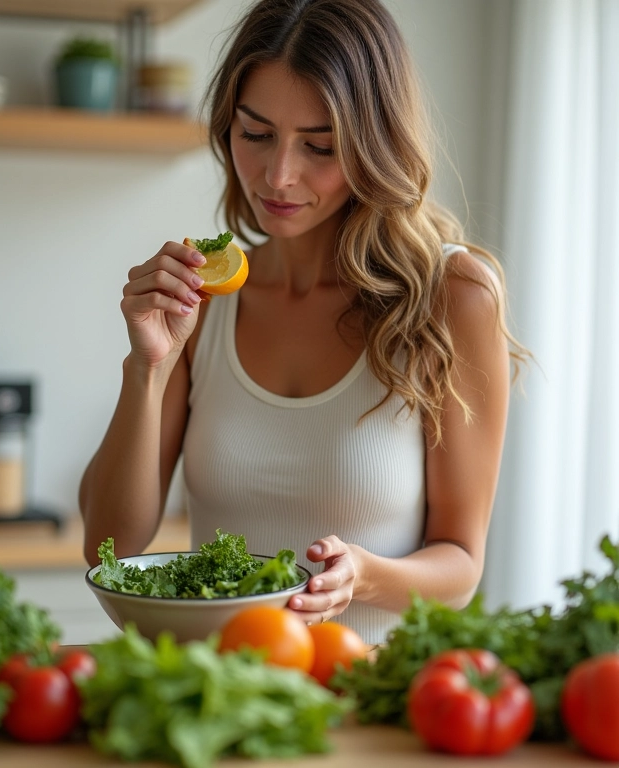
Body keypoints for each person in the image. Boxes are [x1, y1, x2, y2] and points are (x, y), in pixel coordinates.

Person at [79, 0, 529, 644]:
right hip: (222, 698)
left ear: (376, 146)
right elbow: (109, 545)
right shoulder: (203, 301)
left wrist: (365, 576)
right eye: (255, 135)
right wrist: (147, 366)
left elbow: (461, 564)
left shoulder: (453, 298)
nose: (278, 176)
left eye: (320, 146)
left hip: (368, 703)